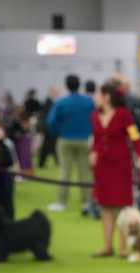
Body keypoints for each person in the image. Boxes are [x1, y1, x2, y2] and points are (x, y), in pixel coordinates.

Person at [89, 80, 140, 257]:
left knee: (122, 206)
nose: (96, 98)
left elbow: (135, 136)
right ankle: (107, 246)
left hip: (121, 165)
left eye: (98, 95)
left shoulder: (124, 114)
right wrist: (93, 152)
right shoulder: (94, 116)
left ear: (107, 97)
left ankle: (122, 248)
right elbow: (97, 139)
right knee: (105, 206)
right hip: (102, 166)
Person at [46, 74, 95, 214]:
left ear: (67, 85)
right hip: (85, 139)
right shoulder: (89, 102)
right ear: (79, 85)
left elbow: (51, 121)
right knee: (85, 172)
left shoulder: (61, 102)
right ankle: (88, 202)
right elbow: (96, 118)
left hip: (65, 139)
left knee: (65, 171)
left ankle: (62, 202)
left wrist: (59, 131)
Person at [37, 85, 60, 168]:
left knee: (49, 145)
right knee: (48, 145)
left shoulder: (50, 101)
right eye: (56, 91)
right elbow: (48, 116)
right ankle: (42, 162)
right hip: (48, 128)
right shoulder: (48, 101)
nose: (57, 93)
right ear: (52, 92)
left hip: (49, 127)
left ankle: (43, 163)